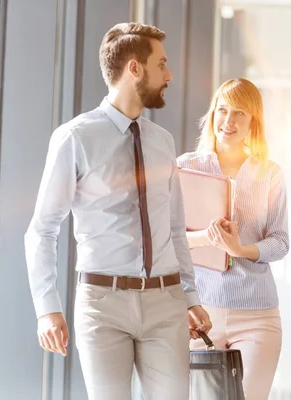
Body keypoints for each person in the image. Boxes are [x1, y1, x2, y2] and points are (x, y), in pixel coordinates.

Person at [24, 22, 211, 400]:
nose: (169, 74)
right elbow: (42, 229)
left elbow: (175, 230)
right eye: (162, 64)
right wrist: (47, 308)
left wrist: (190, 296)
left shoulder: (162, 142)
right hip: (102, 305)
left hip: (165, 301)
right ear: (135, 69)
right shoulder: (76, 138)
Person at [177, 78, 289, 400]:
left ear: (253, 120)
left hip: (258, 315)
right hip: (200, 313)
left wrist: (240, 249)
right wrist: (207, 239)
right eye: (222, 110)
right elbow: (169, 241)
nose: (229, 121)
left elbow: (281, 241)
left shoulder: (270, 173)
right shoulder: (187, 166)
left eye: (240, 113)